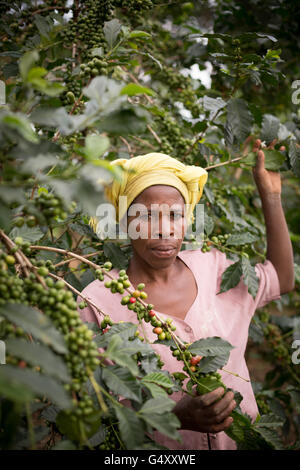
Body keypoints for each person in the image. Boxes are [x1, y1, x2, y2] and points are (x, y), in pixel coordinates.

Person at [76, 148, 294, 450]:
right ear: (124, 222)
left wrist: (270, 196)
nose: (165, 230)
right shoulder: (97, 303)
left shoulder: (215, 269)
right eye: (146, 216)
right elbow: (94, 411)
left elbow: (281, 278)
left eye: (175, 215)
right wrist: (175, 415)